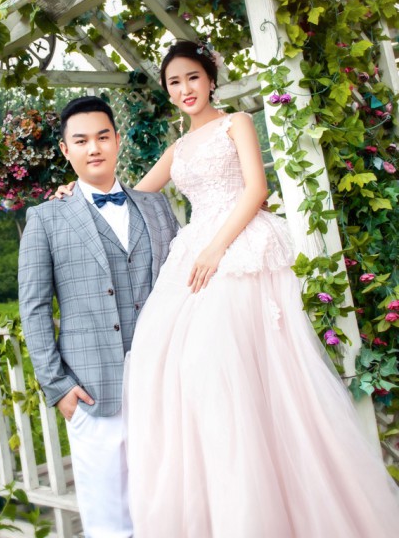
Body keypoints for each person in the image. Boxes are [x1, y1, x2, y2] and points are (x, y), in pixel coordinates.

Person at [117, 40, 399, 536]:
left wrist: (216, 249)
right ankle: (219, 499)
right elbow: (132, 196)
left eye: (192, 77)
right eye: (174, 82)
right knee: (175, 365)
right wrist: (78, 191)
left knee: (225, 360)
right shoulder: (177, 148)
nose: (185, 89)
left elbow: (256, 189)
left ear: (210, 79)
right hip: (195, 250)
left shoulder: (236, 123)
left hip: (240, 245)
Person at [18, 96, 179, 538]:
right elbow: (34, 307)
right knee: (110, 523)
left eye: (103, 137)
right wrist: (58, 386)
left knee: (169, 507)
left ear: (117, 140)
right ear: (65, 150)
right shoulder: (46, 219)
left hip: (162, 382)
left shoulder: (156, 206)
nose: (94, 148)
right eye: (81, 140)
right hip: (91, 390)